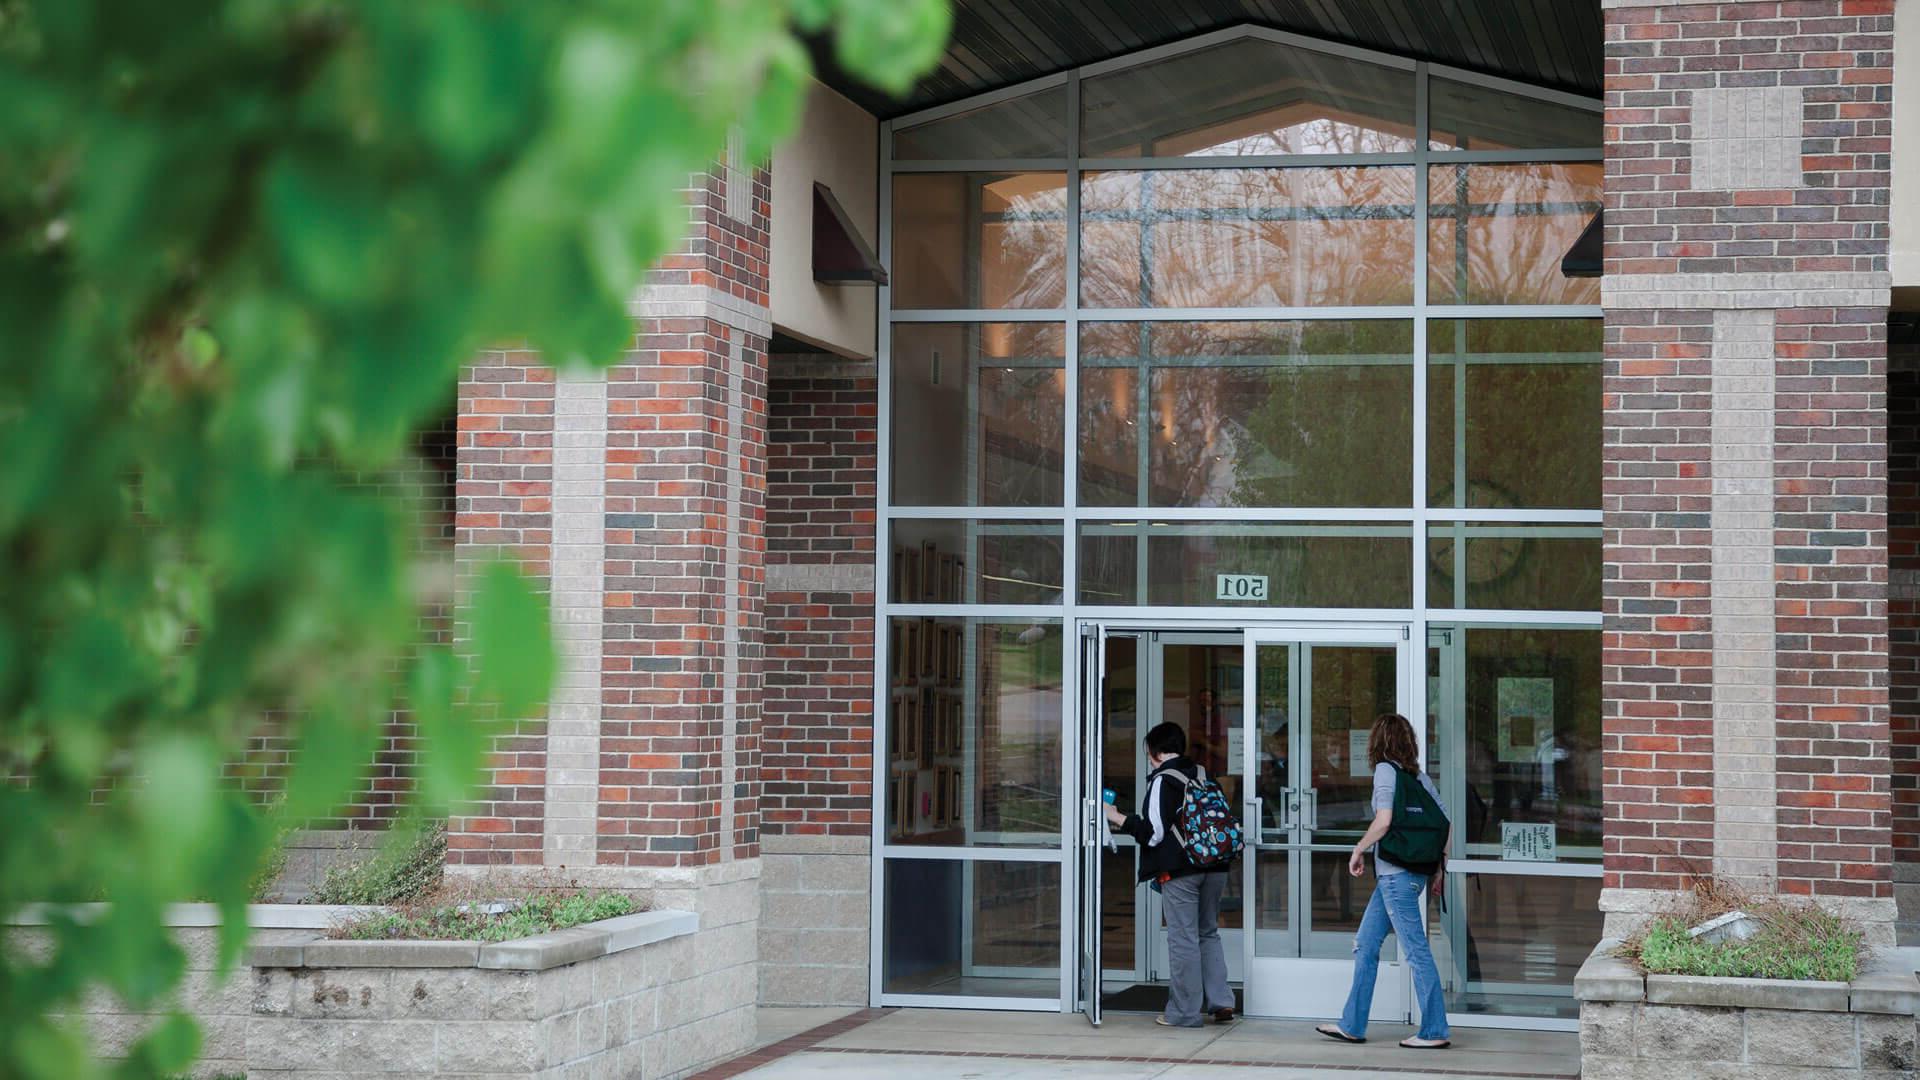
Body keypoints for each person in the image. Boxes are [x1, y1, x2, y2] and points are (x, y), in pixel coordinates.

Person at [1315, 712, 1451, 1050]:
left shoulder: (1386, 771)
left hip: (1396, 877)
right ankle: (1352, 1024)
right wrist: (1439, 869)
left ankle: (1434, 1030)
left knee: (1417, 951)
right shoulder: (1418, 777)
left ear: (1378, 742)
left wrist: (1358, 849)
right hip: (1412, 874)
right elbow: (1446, 823)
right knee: (1366, 943)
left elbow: (1384, 820)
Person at [1104, 721, 1236, 1027]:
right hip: (1216, 864)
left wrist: (1117, 817)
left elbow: (1153, 833)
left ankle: (1184, 1013)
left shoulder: (1164, 780)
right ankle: (1221, 1002)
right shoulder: (1202, 774)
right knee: (1207, 933)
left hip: (1182, 869)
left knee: (1183, 939)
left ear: (1155, 752)